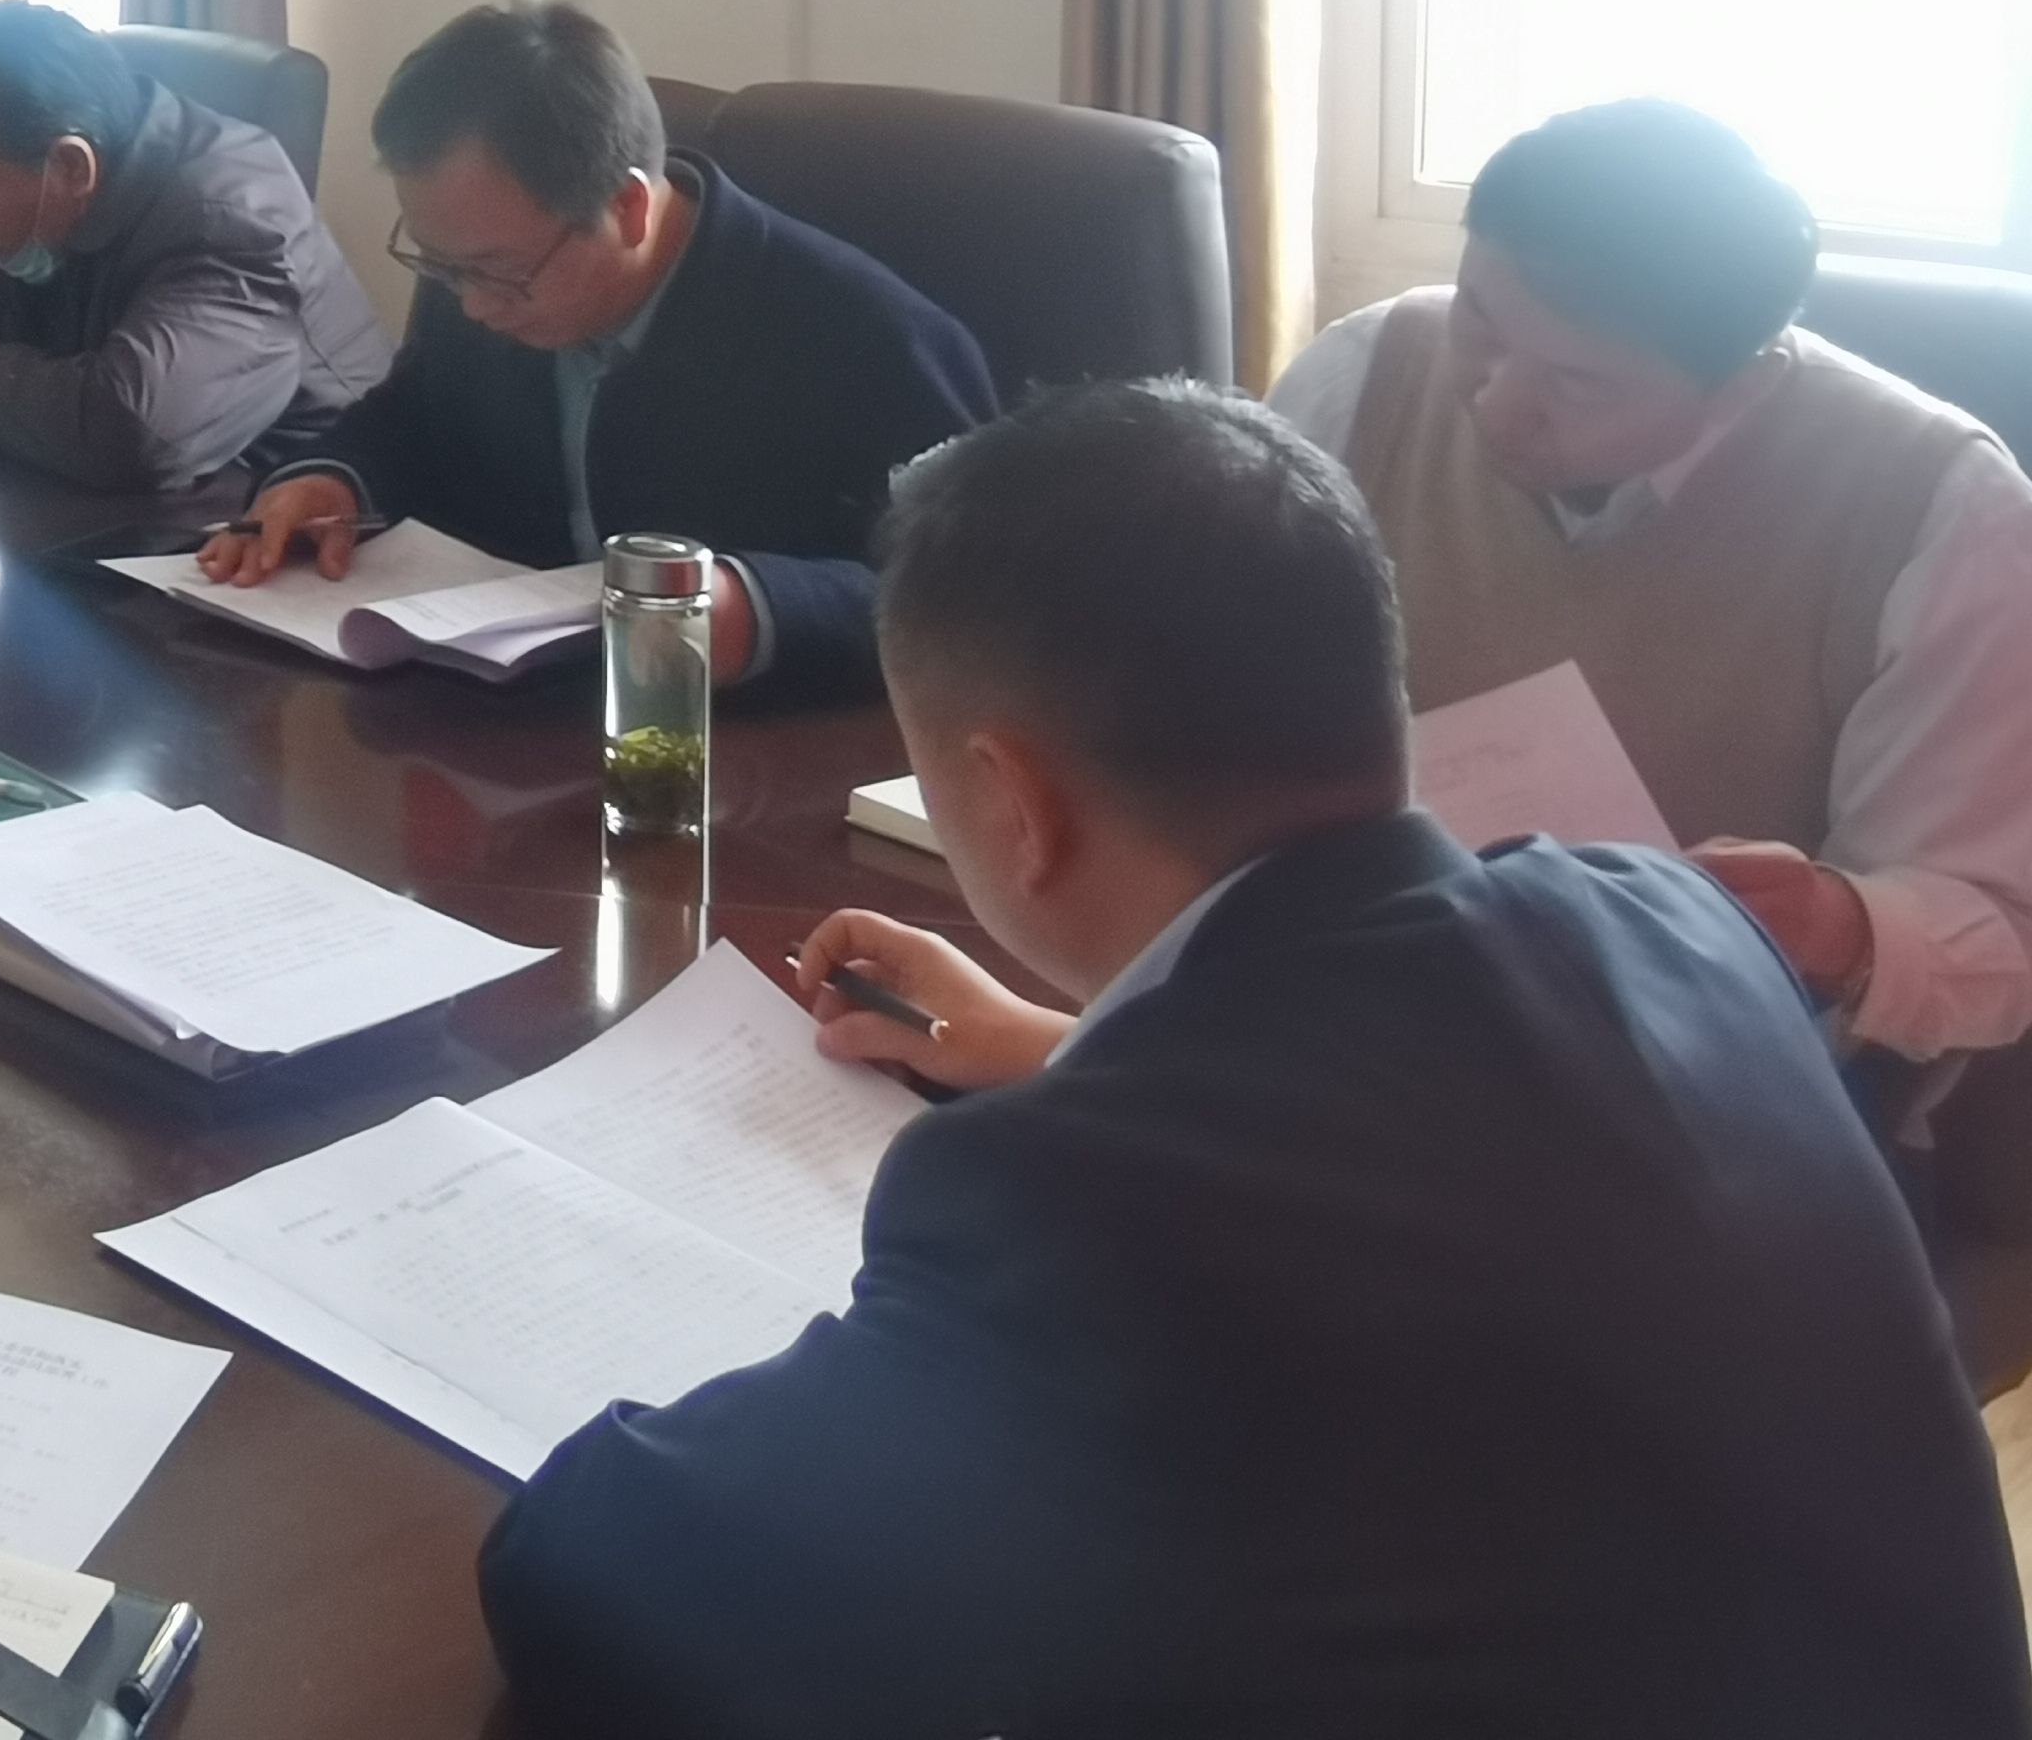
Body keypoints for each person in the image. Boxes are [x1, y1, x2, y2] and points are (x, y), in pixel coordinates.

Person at [482, 378, 2032, 1739]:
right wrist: (1078, 1052)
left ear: (1010, 803)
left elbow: (600, 1573)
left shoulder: (1070, 1209)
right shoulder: (1662, 914)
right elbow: (1467, 1166)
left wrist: (1093, 1110)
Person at [1273, 100, 2032, 1093]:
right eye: (1480, 319)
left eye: (1578, 384)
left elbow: (1998, 934)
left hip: (1711, 1092)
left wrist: (1835, 923)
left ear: (1747, 385)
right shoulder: (1367, 370)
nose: (1495, 400)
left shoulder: (1943, 512)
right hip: (1347, 1017)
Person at [204, 0, 988, 697]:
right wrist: (331, 480)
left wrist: (759, 608)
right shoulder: (484, 264)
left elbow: (964, 601)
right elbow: (416, 416)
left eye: (499, 273)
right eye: (441, 265)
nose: (472, 304)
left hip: (740, 753)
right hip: (508, 723)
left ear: (629, 208)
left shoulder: (865, 336)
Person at [0, 1, 388, 491]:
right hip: (125, 506)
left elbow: (137, 431)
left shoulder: (230, 219)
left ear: (71, 166)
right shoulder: (64, 180)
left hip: (291, 517)